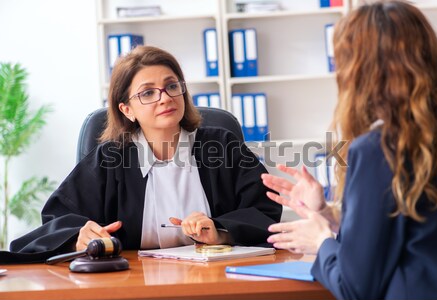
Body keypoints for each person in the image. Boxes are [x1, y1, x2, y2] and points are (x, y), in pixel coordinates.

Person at [5, 45, 281, 262]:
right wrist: (79, 236)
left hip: (217, 278)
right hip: (131, 284)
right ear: (127, 109)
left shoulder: (222, 146)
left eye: (172, 86)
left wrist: (219, 230)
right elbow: (57, 220)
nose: (164, 97)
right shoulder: (109, 159)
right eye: (147, 93)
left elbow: (265, 210)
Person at [261, 1, 437, 300]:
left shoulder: (378, 148)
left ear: (360, 71)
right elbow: (414, 228)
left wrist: (321, 240)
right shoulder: (436, 134)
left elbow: (356, 289)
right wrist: (328, 214)